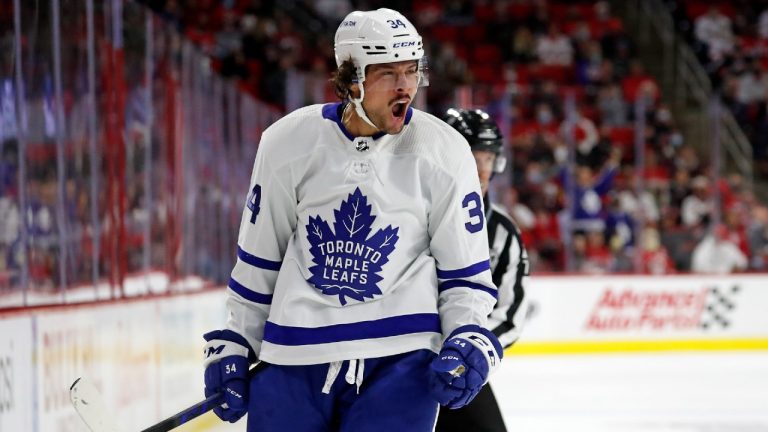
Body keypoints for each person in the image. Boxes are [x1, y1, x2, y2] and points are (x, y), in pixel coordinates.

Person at [201, 9, 503, 432]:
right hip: (294, 357)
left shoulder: (444, 151)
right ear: (351, 78)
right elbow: (259, 259)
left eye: (412, 71)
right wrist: (238, 337)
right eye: (388, 73)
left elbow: (465, 274)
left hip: (400, 362)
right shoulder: (287, 142)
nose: (405, 87)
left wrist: (468, 335)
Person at [435, 108, 530, 432]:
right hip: (395, 360)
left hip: (459, 366)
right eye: (469, 156)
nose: (481, 170)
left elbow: (510, 313)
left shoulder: (502, 232)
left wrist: (469, 348)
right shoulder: (405, 213)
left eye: (487, 159)